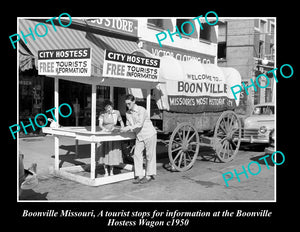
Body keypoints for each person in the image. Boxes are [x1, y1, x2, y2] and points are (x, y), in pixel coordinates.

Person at [120, 94, 157, 184]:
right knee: (136, 154)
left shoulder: (141, 110)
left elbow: (139, 124)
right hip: (139, 136)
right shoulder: (128, 113)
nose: (127, 106)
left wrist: (128, 128)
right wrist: (123, 128)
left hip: (149, 134)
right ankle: (139, 175)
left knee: (149, 155)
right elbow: (129, 124)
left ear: (134, 101)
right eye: (126, 104)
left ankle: (148, 175)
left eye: (129, 103)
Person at [98, 100, 124, 176]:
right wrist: (104, 129)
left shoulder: (117, 112)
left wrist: (123, 128)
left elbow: (121, 121)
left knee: (112, 152)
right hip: (105, 133)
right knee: (104, 152)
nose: (108, 109)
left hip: (113, 133)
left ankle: (112, 171)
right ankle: (106, 171)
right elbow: (100, 124)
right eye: (106, 108)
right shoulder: (102, 113)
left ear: (111, 106)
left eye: (109, 107)